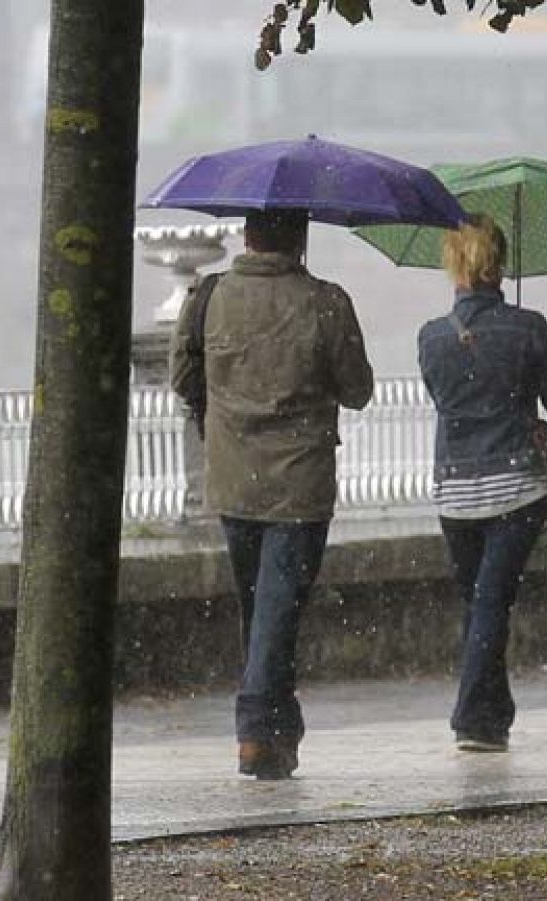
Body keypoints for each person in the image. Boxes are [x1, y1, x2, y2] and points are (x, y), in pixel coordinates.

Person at [170, 209, 374, 779]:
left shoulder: (210, 295)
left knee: (260, 607)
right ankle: (258, 729)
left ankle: (278, 731)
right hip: (300, 485)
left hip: (233, 481)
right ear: (299, 236)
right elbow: (358, 390)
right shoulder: (325, 301)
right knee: (279, 610)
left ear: (246, 234)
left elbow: (185, 381)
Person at [417, 214, 547, 753]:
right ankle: (472, 718)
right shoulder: (528, 327)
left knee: (479, 601)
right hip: (516, 485)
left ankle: (492, 714)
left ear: (453, 263)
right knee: (492, 601)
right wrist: (526, 371)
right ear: (499, 263)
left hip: (455, 490)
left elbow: (450, 401)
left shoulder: (431, 337)